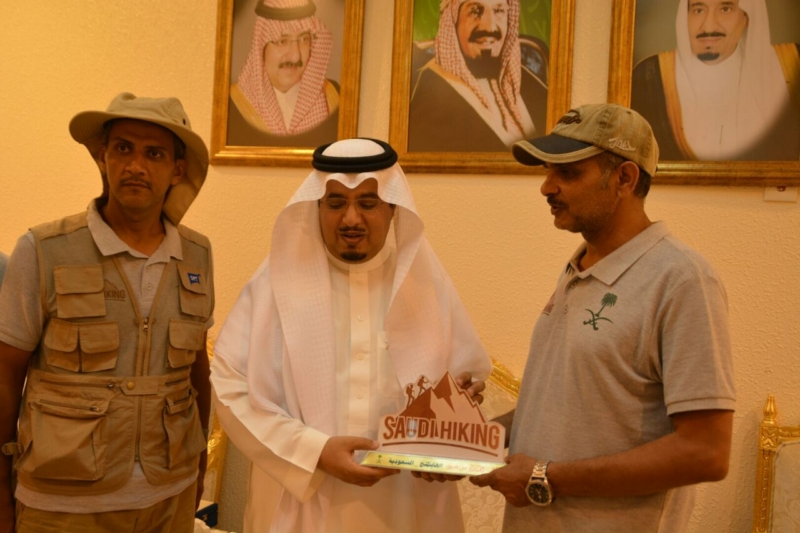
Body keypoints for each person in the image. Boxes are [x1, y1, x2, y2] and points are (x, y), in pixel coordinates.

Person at [471, 103, 736, 532]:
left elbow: (705, 452)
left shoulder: (682, 280)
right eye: (548, 172)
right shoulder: (578, 269)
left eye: (568, 173)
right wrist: (464, 443)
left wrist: (545, 478)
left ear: (625, 179)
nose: (546, 187)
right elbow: (559, 410)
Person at [210, 138, 493, 532]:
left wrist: (456, 418)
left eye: (368, 203)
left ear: (393, 208)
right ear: (317, 207)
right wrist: (314, 452)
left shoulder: (426, 286)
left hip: (406, 504)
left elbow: (465, 383)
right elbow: (230, 387)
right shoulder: (274, 285)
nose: (351, 219)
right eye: (336, 203)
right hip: (302, 502)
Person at [0, 92, 214, 532]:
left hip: (168, 499)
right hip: (62, 506)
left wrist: (197, 469)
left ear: (177, 170)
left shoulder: (197, 254)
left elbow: (197, 373)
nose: (135, 165)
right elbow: (5, 375)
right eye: (123, 148)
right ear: (103, 157)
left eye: (154, 153)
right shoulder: (44, 250)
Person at [631, 0, 800, 161]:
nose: (709, 26)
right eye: (698, 10)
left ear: (747, 17)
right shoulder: (648, 77)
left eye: (725, 9)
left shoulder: (791, 65)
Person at [408, 0, 548, 152]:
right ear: (453, 21)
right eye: (475, 11)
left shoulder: (527, 80)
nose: (489, 27)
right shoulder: (430, 92)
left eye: (499, 11)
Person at [228, 0, 340, 147]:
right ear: (261, 47)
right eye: (282, 41)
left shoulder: (334, 97)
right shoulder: (233, 105)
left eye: (304, 39)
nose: (295, 56)